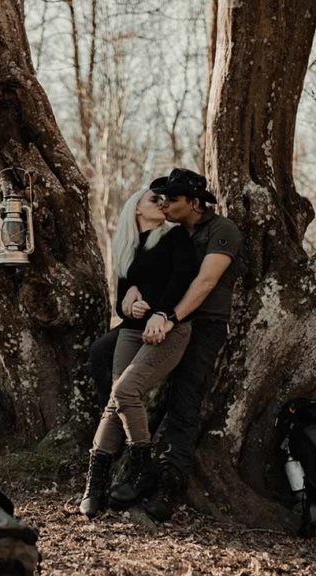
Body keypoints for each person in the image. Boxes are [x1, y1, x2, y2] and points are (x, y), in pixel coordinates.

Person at [88, 168, 242, 523]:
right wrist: (131, 297)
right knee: (103, 357)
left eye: (172, 198)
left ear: (194, 202)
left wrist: (169, 317)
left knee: (183, 400)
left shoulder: (221, 230)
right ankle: (116, 456)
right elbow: (140, 277)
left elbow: (203, 283)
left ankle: (167, 485)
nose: (165, 203)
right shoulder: (167, 232)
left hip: (200, 323)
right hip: (155, 322)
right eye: (160, 198)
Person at [79, 187, 198, 518]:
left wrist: (160, 312)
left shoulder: (175, 237)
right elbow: (121, 301)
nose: (161, 203)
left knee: (125, 391)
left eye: (164, 199)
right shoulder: (128, 247)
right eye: (153, 199)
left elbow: (182, 280)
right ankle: (95, 484)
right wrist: (128, 307)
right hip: (132, 331)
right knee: (114, 403)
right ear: (137, 210)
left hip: (168, 330)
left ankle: (141, 470)